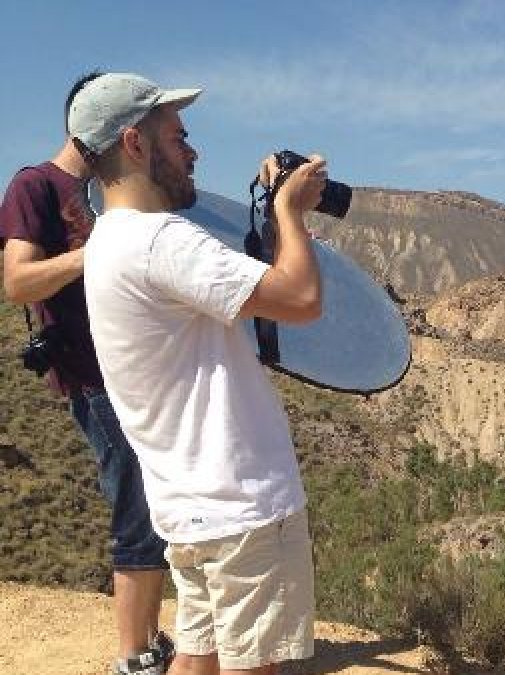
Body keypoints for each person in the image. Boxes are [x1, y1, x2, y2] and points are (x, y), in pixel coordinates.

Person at [69, 71, 327, 674]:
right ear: (135, 144)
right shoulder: (162, 241)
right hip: (243, 509)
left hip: (189, 506)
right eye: (178, 137)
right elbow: (301, 299)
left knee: (197, 659)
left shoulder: (110, 240)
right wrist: (291, 212)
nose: (192, 151)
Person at [0, 71, 175, 675]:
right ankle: (134, 654)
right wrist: (96, 251)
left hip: (135, 372)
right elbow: (18, 280)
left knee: (155, 505)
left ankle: (152, 639)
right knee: (136, 504)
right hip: (90, 375)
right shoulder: (35, 185)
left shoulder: (109, 191)